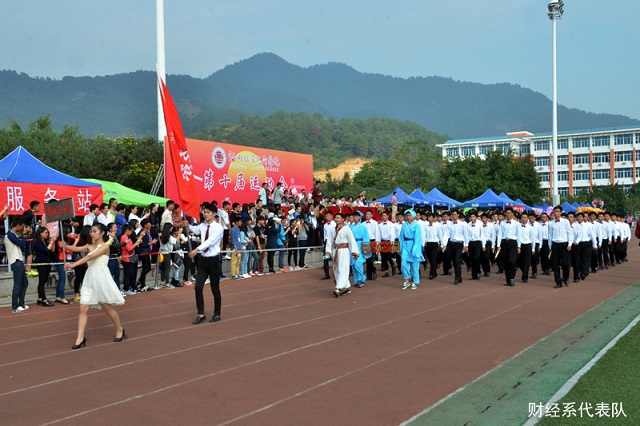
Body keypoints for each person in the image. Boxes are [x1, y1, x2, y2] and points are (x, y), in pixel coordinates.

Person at [63, 223, 126, 349]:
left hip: (102, 278)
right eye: (91, 231)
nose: (92, 233)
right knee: (83, 307)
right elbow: (76, 249)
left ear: (102, 233)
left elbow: (90, 256)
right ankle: (80, 338)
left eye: (95, 231)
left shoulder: (105, 246)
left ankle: (119, 329)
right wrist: (65, 246)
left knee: (107, 307)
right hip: (90, 278)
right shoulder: (89, 246)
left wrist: (73, 265)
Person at [187, 202, 224, 324]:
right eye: (204, 212)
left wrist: (197, 250)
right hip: (203, 261)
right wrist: (186, 224)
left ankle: (217, 314)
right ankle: (201, 313)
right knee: (198, 287)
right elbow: (193, 229)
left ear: (214, 214)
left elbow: (210, 241)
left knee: (215, 289)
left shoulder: (218, 228)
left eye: (208, 212)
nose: (205, 214)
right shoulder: (203, 226)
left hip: (214, 261)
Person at [325, 212, 359, 297]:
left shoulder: (346, 229)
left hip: (344, 251)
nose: (336, 219)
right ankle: (347, 287)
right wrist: (328, 251)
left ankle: (339, 287)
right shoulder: (332, 229)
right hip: (335, 250)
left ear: (343, 219)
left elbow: (351, 240)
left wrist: (354, 252)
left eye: (338, 218)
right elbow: (329, 241)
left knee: (343, 268)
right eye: (335, 218)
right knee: (336, 268)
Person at [548, 206, 574, 288]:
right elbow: (550, 236)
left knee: (565, 264)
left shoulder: (565, 222)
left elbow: (569, 233)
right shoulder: (550, 223)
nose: (556, 213)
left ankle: (566, 278)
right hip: (555, 245)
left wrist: (570, 244)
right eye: (554, 211)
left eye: (557, 211)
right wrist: (550, 247)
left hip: (564, 245)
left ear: (561, 212)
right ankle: (558, 282)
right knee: (555, 265)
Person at [399, 209, 424, 289]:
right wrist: (400, 247)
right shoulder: (404, 225)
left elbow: (417, 238)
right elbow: (401, 237)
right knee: (403, 263)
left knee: (414, 265)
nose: (408, 217)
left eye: (410, 215)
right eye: (407, 215)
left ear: (413, 216)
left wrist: (416, 249)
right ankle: (406, 280)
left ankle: (415, 281)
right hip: (405, 245)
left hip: (413, 245)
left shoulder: (417, 225)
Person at [32, 227, 56, 307]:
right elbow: (45, 250)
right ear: (41, 233)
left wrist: (53, 242)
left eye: (47, 233)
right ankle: (44, 299)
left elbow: (52, 250)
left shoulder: (45, 241)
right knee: (42, 281)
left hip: (47, 262)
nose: (47, 234)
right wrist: (51, 242)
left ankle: (40, 298)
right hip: (41, 262)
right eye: (45, 233)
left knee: (43, 280)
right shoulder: (37, 242)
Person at [497, 208, 519, 287]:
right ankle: (508, 279)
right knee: (506, 262)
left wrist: (519, 246)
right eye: (506, 213)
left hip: (513, 243)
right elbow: (500, 234)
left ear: (512, 214)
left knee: (511, 261)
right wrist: (498, 245)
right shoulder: (502, 223)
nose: (508, 214)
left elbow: (518, 235)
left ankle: (512, 277)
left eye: (509, 213)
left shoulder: (516, 224)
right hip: (504, 242)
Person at [349, 211, 370, 288]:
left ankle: (361, 278)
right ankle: (357, 280)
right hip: (352, 245)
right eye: (353, 217)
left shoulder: (362, 227)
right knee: (353, 265)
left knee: (358, 263)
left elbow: (366, 238)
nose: (354, 218)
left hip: (360, 245)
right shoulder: (350, 227)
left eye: (356, 217)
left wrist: (365, 249)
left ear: (359, 217)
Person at [120, 224, 142, 296]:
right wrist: (136, 244)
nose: (131, 232)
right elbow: (129, 248)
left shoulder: (127, 237)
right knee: (127, 275)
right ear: (127, 230)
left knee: (130, 274)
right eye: (131, 231)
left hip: (130, 258)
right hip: (126, 258)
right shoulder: (124, 237)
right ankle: (126, 289)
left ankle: (128, 287)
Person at [21, 200, 40, 277]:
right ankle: (28, 269)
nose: (39, 208)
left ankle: (28, 268)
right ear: (35, 207)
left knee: (30, 252)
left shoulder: (30, 214)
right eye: (38, 206)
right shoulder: (30, 214)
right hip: (29, 236)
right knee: (30, 252)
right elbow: (20, 220)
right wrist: (26, 229)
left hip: (30, 236)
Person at [516, 212, 533, 284]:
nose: (523, 219)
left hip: (528, 245)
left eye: (525, 217)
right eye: (522, 217)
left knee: (527, 262)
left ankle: (525, 276)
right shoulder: (518, 227)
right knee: (518, 261)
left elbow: (532, 238)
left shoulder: (530, 227)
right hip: (520, 245)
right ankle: (524, 271)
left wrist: (533, 248)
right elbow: (517, 237)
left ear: (527, 219)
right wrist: (518, 246)